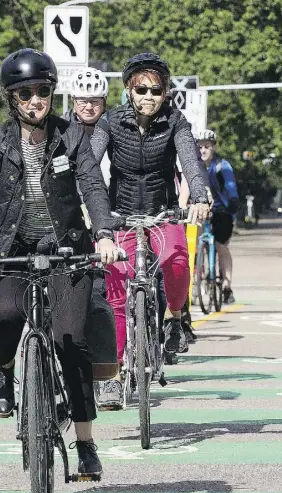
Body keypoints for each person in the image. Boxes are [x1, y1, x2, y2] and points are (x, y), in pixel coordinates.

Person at [0, 49, 119, 476]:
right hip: (14, 249)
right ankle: (5, 373)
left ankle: (86, 443)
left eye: (41, 92)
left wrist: (106, 234)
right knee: (4, 312)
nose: (34, 100)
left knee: (70, 341)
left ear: (51, 94)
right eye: (24, 94)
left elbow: (93, 186)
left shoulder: (71, 135)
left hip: (67, 251)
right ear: (11, 99)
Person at [90, 52, 210, 376]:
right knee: (116, 289)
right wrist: (90, 207)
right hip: (121, 215)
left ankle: (173, 317)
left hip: (162, 212)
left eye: (156, 91)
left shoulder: (175, 122)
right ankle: (114, 370)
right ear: (129, 89)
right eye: (141, 90)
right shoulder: (111, 121)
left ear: (166, 92)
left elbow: (190, 163)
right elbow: (89, 166)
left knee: (177, 259)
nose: (148, 97)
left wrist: (198, 196)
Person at [65, 67, 123, 409]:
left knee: (102, 294)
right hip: (68, 219)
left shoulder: (115, 129)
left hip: (107, 218)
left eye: (95, 100)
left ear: (104, 102)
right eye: (83, 100)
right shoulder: (59, 131)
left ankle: (108, 375)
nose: (89, 106)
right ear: (73, 101)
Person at [196, 129, 239, 304]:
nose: (203, 151)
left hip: (222, 211)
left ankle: (227, 285)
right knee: (197, 246)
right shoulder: (194, 166)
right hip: (200, 211)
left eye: (207, 146)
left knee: (221, 247)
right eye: (200, 147)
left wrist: (232, 206)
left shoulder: (222, 166)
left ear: (213, 148)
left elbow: (232, 190)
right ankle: (196, 283)